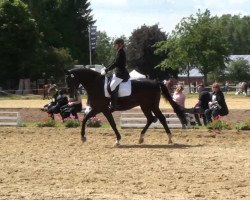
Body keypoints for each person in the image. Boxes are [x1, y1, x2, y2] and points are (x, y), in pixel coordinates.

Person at [101, 38, 130, 110]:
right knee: (109, 85)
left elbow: (116, 63)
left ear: (119, 44)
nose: (114, 46)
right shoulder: (119, 51)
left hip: (121, 74)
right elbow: (113, 62)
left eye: (116, 44)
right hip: (118, 73)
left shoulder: (121, 52)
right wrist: (106, 68)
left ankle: (115, 104)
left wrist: (107, 70)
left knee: (111, 87)